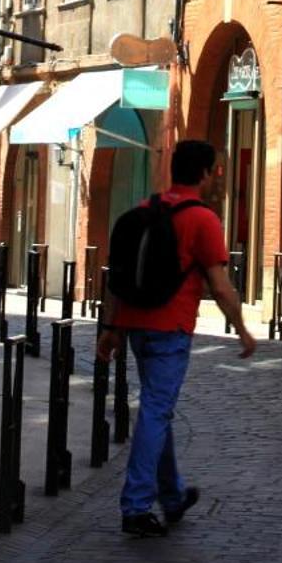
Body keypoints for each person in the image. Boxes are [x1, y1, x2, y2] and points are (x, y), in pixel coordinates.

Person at [95, 139, 255, 538]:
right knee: (154, 413)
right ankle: (135, 506)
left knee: (156, 411)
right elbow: (220, 286)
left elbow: (117, 274)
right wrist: (242, 329)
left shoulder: (145, 210)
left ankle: (171, 497)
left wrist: (113, 327)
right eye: (215, 169)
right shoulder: (202, 219)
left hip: (135, 325)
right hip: (170, 329)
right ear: (203, 174)